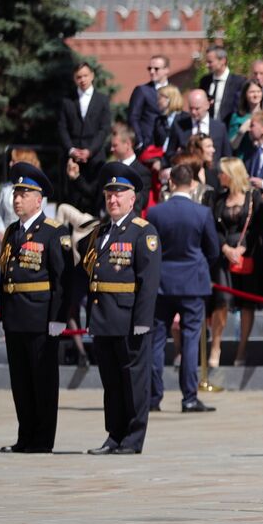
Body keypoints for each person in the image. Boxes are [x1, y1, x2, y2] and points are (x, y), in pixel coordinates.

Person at [83, 162, 161, 454]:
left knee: (133, 382)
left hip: (129, 320)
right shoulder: (101, 232)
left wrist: (142, 320)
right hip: (104, 318)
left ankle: (133, 437)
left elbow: (148, 280)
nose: (113, 200)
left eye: (119, 194)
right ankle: (114, 434)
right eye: (109, 195)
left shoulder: (143, 232)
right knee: (111, 383)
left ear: (132, 198)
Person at [0, 162, 69, 453]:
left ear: (38, 200)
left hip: (41, 317)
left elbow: (62, 279)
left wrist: (58, 317)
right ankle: (25, 436)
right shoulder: (13, 232)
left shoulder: (53, 231)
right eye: (16, 193)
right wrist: (3, 314)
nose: (17, 199)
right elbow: (6, 276)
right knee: (21, 382)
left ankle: (42, 439)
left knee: (42, 381)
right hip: (16, 317)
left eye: (23, 194)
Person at [146, 164, 222, 411]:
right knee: (190, 340)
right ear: (192, 185)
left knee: (156, 342)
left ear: (170, 183)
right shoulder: (201, 213)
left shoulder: (156, 213)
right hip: (192, 283)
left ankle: (153, 397)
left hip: (163, 283)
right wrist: (198, 265)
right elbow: (213, 249)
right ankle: (189, 397)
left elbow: (151, 248)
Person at [214, 157, 263, 366]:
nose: (218, 176)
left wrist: (242, 249)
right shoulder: (218, 199)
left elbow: (258, 227)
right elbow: (213, 227)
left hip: (247, 255)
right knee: (221, 301)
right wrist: (225, 248)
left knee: (246, 304)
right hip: (224, 256)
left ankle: (242, 349)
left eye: (222, 172)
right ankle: (215, 346)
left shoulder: (253, 197)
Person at [59, 62, 112, 170]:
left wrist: (90, 151)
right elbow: (62, 128)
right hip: (73, 160)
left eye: (85, 76)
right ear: (74, 79)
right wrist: (71, 150)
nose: (82, 80)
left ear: (92, 76)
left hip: (96, 158)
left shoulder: (102, 100)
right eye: (79, 77)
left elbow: (104, 128)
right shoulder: (67, 101)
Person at [169, 89, 230, 157]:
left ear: (207, 105)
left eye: (197, 109)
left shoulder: (219, 127)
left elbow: (226, 155)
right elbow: (170, 153)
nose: (193, 112)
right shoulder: (180, 126)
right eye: (191, 108)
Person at [129, 54, 171, 150]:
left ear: (166, 70)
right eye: (150, 68)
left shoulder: (173, 91)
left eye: (156, 69)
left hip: (169, 145)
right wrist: (140, 141)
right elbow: (133, 118)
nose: (152, 72)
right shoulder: (142, 90)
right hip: (149, 144)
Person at [199, 45, 247, 123]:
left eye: (210, 62)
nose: (207, 65)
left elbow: (241, 108)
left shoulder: (239, 82)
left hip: (229, 128)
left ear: (222, 60)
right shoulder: (205, 81)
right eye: (206, 62)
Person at [228, 79, 263, 153]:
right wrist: (241, 132)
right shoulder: (237, 117)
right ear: (245, 95)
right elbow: (232, 146)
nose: (255, 95)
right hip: (243, 159)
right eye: (252, 92)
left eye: (258, 92)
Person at [151, 86, 185, 151]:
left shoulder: (184, 118)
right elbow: (155, 143)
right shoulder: (159, 120)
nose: (157, 102)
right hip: (162, 158)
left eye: (159, 98)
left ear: (169, 99)